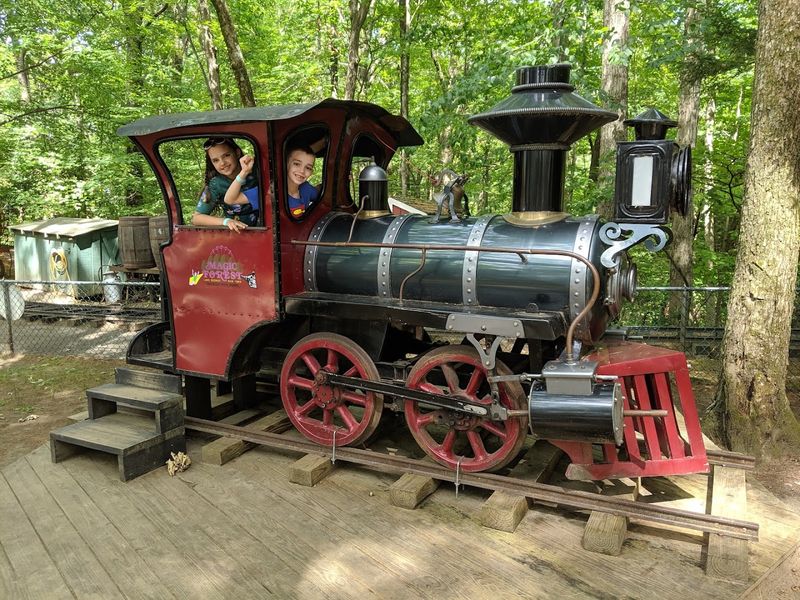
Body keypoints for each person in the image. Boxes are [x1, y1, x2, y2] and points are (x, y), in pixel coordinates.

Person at [191, 138, 259, 231]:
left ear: (237, 153)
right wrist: (226, 221)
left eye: (226, 155)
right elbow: (196, 218)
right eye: (215, 160)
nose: (222, 163)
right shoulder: (216, 183)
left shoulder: (256, 172)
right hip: (236, 233)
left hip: (263, 231)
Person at [286, 145, 319, 218]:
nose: (302, 171)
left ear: (311, 172)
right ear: (286, 164)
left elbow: (323, 192)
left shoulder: (306, 188)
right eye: (297, 164)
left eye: (308, 168)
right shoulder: (270, 192)